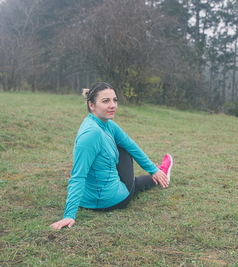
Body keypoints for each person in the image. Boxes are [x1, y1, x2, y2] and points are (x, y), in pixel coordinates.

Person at [50, 82, 173, 231]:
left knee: (125, 146)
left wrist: (152, 170)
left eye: (115, 100)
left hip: (87, 199)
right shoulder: (91, 133)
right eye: (105, 101)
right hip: (112, 200)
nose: (113, 105)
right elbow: (78, 176)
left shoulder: (103, 123)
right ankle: (163, 172)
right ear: (91, 105)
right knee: (125, 153)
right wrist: (69, 215)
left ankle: (159, 173)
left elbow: (132, 144)